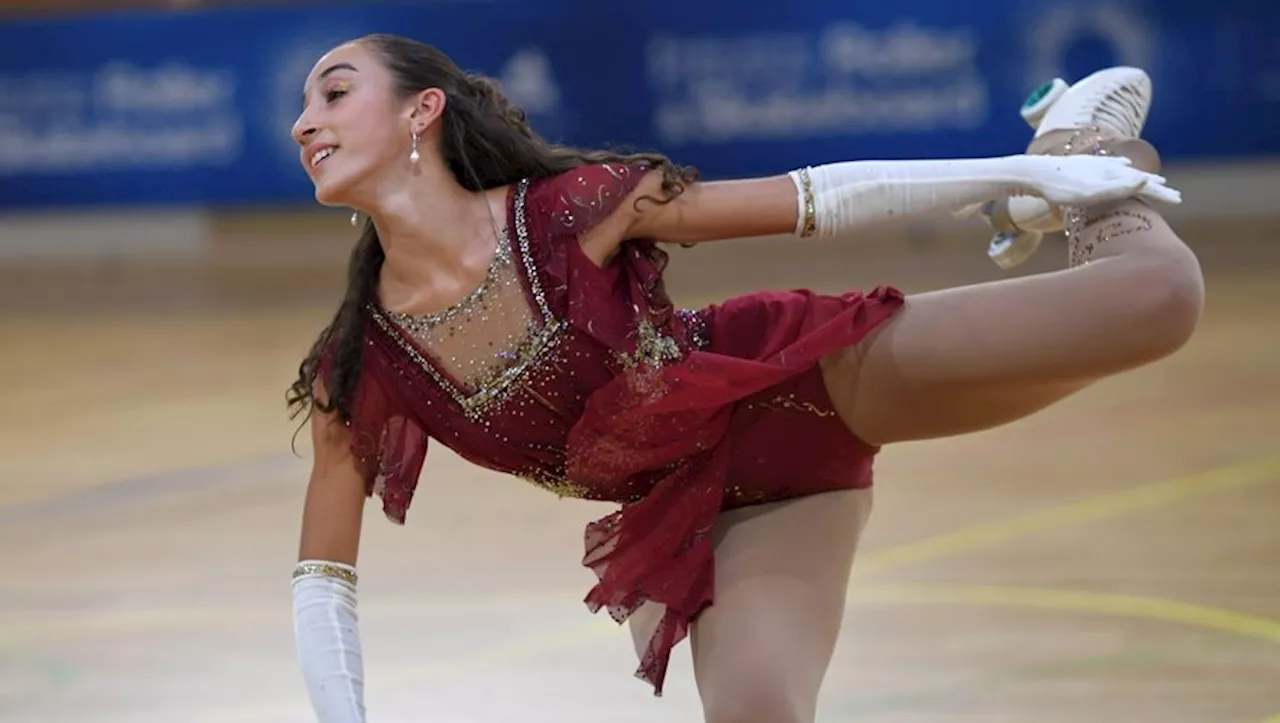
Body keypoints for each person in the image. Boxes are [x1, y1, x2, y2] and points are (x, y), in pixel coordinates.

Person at [285, 33, 1202, 723]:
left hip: (799, 380)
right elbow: (323, 581)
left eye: (333, 91)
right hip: (711, 514)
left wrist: (1001, 173)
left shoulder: (564, 213)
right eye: (303, 106)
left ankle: (1080, 144)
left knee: (1160, 298)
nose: (304, 120)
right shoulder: (362, 363)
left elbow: (814, 198)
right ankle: (1048, 172)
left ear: (422, 111)